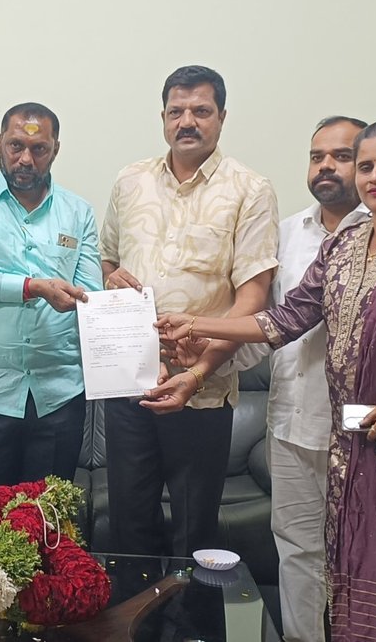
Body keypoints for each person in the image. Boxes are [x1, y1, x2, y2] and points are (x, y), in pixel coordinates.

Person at [159, 119, 376, 641]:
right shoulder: (343, 246)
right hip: (353, 441)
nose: (375, 176)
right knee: (349, 562)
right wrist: (195, 323)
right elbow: (284, 320)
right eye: (367, 166)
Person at [99, 65, 280, 560]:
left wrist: (199, 371)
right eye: (176, 111)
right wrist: (111, 278)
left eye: (201, 111)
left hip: (203, 390)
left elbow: (253, 297)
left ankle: (189, 611)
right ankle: (133, 610)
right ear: (162, 117)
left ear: (222, 117)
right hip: (131, 382)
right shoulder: (130, 180)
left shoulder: (250, 189)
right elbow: (108, 260)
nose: (187, 122)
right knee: (128, 524)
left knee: (194, 531)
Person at [0, 102, 101, 488]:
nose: (25, 159)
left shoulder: (79, 213)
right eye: (15, 146)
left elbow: (91, 295)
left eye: (39, 148)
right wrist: (30, 287)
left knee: (49, 515)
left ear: (55, 150)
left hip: (59, 395)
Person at [266, 115, 370, 642]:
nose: (326, 166)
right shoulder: (285, 234)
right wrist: (198, 360)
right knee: (296, 549)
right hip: (290, 420)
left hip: (364, 429)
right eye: (317, 156)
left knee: (364, 555)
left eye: (342, 156)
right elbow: (268, 326)